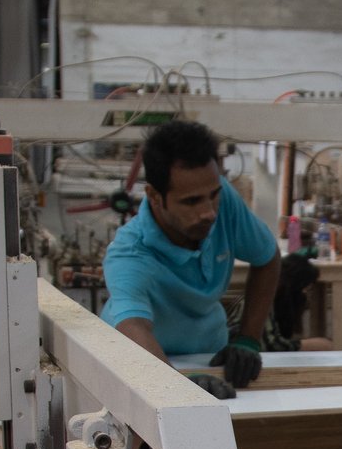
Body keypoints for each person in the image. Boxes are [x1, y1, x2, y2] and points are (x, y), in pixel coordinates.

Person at [101, 118, 280, 393]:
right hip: (148, 363)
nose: (209, 212)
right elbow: (133, 326)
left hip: (208, 356)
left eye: (213, 195)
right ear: (154, 196)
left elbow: (267, 257)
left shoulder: (223, 200)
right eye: (191, 201)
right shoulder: (130, 253)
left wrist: (248, 340)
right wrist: (177, 386)